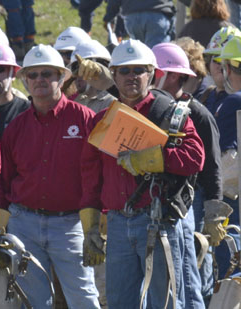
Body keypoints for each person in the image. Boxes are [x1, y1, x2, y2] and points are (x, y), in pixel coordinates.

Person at [80, 39, 205, 308]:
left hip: (157, 221)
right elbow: (91, 177)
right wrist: (90, 226)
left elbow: (196, 158)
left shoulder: (170, 113)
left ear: (152, 74)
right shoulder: (100, 120)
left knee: (166, 303)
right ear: (113, 75)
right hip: (116, 223)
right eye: (124, 71)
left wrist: (154, 159)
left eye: (139, 70)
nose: (131, 77)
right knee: (120, 303)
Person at [0, 44, 101, 308]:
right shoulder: (17, 127)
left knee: (83, 298)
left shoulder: (85, 119)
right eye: (33, 75)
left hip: (70, 224)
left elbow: (94, 177)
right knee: (35, 302)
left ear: (62, 78)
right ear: (25, 80)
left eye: (47, 74)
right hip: (24, 223)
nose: (40, 80)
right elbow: (3, 179)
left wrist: (92, 227)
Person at [152, 42, 228, 309]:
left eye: (153, 72)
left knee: (188, 275)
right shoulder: (153, 109)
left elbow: (213, 168)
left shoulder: (198, 114)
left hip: (188, 205)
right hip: (159, 204)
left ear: (171, 75)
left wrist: (213, 213)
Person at [210, 35, 241, 279]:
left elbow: (227, 161)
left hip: (234, 202)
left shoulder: (232, 103)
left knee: (231, 275)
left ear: (227, 68)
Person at [103, 0, 176, 48]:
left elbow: (114, 2)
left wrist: (108, 18)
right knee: (158, 53)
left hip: (132, 17)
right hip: (157, 15)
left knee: (139, 53)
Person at [69, 40, 116, 113]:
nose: (78, 76)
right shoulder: (76, 103)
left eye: (84, 70)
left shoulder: (113, 102)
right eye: (75, 70)